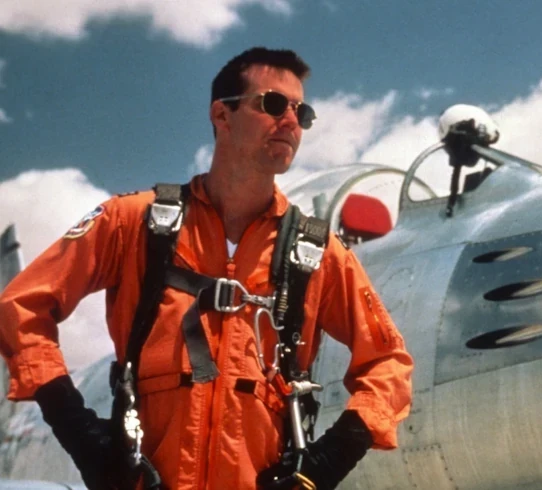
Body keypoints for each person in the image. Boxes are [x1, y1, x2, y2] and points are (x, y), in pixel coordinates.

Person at [0, 47, 414, 490]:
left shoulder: (317, 252)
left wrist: (328, 462)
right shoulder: (133, 222)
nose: (292, 122)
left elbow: (388, 363)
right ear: (222, 114)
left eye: (303, 112)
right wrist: (79, 432)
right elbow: (22, 305)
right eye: (274, 104)